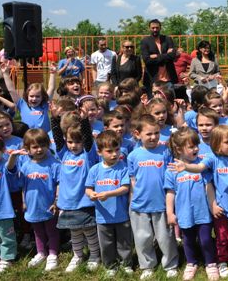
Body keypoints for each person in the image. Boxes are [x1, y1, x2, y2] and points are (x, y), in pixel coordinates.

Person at [127, 115, 179, 279]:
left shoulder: (166, 151)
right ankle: (147, 265)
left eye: (156, 133)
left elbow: (172, 175)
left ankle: (170, 264)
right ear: (137, 134)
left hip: (162, 203)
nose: (153, 137)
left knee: (166, 237)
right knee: (143, 238)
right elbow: (133, 180)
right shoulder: (133, 155)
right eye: (148, 134)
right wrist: (135, 199)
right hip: (140, 204)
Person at [165, 127, 219, 281]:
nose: (196, 148)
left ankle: (210, 263)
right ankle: (191, 263)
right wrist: (170, 212)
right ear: (178, 149)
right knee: (187, 240)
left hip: (203, 212)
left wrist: (213, 205)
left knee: (206, 239)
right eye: (191, 146)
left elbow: (208, 187)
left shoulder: (201, 166)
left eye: (197, 145)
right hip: (184, 213)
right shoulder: (171, 170)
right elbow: (170, 193)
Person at [51, 111, 101, 272]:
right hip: (68, 203)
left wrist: (85, 120)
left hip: (84, 202)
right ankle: (77, 256)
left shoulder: (88, 155)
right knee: (75, 233)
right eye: (70, 142)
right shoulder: (63, 154)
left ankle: (94, 255)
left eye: (77, 142)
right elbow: (58, 139)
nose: (74, 145)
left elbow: (87, 140)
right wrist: (54, 118)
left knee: (89, 231)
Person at [7, 129, 61, 272]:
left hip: (49, 205)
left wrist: (56, 201)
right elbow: (22, 184)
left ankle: (53, 254)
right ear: (27, 149)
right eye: (35, 147)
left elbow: (59, 184)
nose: (39, 149)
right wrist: (24, 201)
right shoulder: (25, 166)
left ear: (48, 145)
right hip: (32, 206)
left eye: (43, 145)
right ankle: (41, 253)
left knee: (52, 231)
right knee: (37, 232)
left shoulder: (54, 164)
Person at [85, 131, 134, 276]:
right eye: (109, 151)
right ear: (99, 152)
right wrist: (91, 194)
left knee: (124, 242)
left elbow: (125, 188)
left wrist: (108, 194)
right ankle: (110, 266)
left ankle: (126, 264)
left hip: (121, 214)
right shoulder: (95, 170)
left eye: (117, 149)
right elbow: (88, 188)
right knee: (106, 243)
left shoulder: (123, 167)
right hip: (103, 216)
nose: (114, 154)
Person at [0, 136, 17, 275]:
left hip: (3, 209)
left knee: (6, 235)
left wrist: (13, 157)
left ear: (3, 150)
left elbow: (11, 168)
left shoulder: (4, 165)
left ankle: (7, 258)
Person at [140, 19, 178, 95]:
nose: (155, 30)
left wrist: (156, 56)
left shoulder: (168, 39)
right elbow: (147, 60)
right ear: (149, 28)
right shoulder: (145, 41)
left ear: (160, 28)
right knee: (153, 104)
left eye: (157, 28)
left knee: (169, 103)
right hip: (152, 79)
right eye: (153, 28)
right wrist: (166, 55)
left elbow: (172, 56)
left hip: (168, 79)